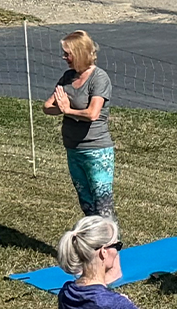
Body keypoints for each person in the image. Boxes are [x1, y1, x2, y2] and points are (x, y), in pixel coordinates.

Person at [43, 31, 116, 220]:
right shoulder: (68, 77)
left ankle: (112, 245)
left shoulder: (99, 78)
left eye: (68, 53)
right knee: (86, 202)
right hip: (73, 149)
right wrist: (63, 108)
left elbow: (93, 113)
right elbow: (47, 107)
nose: (64, 57)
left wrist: (67, 110)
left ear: (80, 53)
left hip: (96, 151)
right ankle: (93, 245)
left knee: (102, 203)